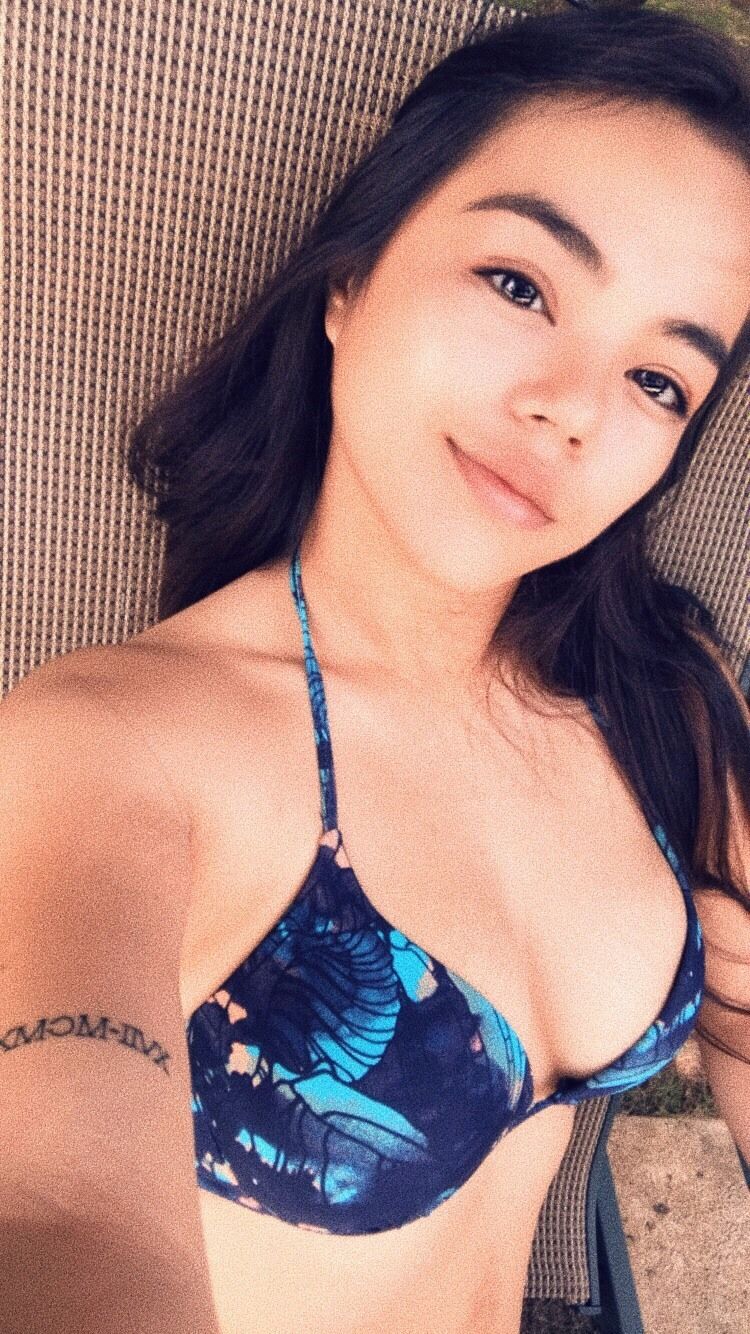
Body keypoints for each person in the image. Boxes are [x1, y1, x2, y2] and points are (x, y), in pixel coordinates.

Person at [3, 6, 749, 1334]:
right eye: (519, 284)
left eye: (656, 379)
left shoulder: (664, 691)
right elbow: (58, 1210)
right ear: (352, 274)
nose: (572, 408)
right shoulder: (110, 749)